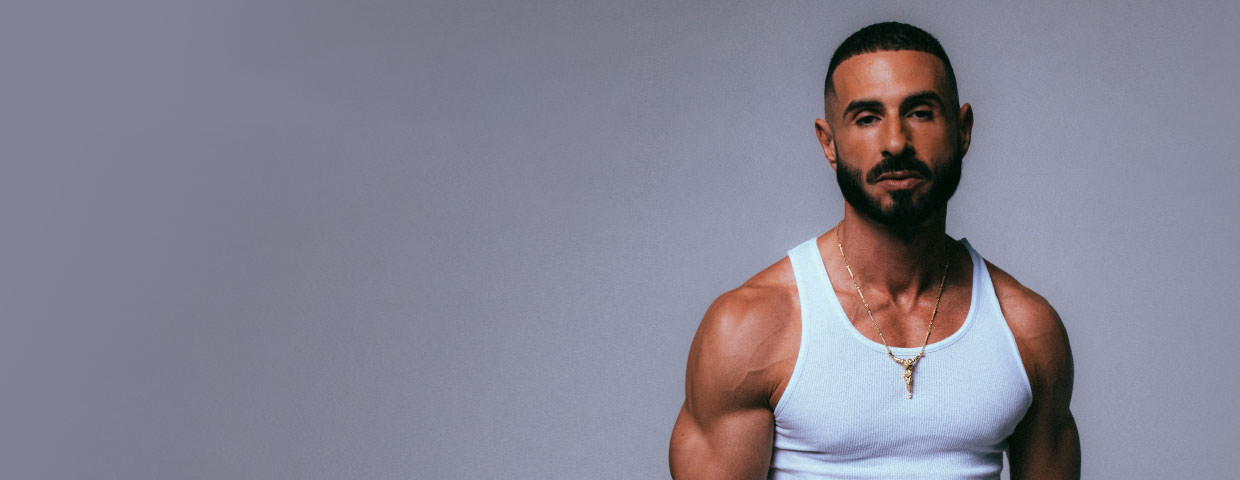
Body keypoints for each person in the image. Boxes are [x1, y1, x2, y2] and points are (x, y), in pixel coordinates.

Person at [668, 22, 1080, 479]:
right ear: (829, 143)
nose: (896, 142)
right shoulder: (752, 327)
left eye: (920, 113)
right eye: (867, 118)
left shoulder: (1026, 330)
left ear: (962, 130)